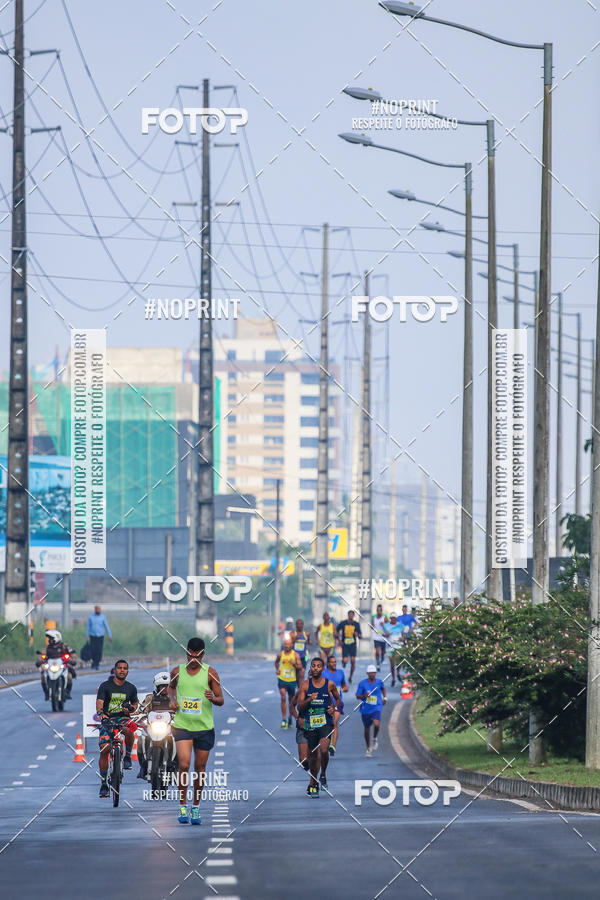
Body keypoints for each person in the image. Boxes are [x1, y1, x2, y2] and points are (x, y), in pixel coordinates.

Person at [169, 637, 224, 826]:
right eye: (190, 655)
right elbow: (170, 688)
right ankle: (182, 805)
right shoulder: (177, 672)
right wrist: (172, 701)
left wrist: (212, 697)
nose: (193, 659)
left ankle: (196, 807)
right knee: (184, 765)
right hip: (182, 725)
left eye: (197, 656)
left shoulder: (211, 673)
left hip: (204, 727)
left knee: (200, 768)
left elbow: (221, 699)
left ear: (202, 655)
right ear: (186, 654)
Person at [296, 657, 339, 797]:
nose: (315, 668)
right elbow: (299, 706)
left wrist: (333, 707)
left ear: (323, 668)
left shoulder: (330, 684)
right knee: (313, 756)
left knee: (324, 749)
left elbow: (338, 699)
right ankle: (314, 782)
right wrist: (309, 699)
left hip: (325, 723)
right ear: (311, 668)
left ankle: (324, 774)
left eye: (318, 666)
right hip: (311, 724)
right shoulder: (305, 685)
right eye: (313, 666)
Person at [96, 659, 139, 797]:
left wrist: (131, 710)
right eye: (119, 668)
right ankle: (103, 784)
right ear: (114, 670)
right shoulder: (105, 686)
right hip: (108, 719)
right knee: (105, 748)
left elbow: (135, 704)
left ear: (128, 671)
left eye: (124, 668)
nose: (122, 670)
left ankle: (127, 757)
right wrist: (100, 713)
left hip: (123, 719)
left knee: (129, 729)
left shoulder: (131, 688)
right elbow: (100, 702)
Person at [136, 671, 177, 780]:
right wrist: (139, 714)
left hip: (170, 727)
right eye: (162, 687)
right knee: (140, 740)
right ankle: (143, 766)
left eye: (167, 687)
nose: (164, 689)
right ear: (156, 687)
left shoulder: (176, 698)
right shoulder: (150, 698)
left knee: (180, 741)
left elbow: (184, 710)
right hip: (152, 728)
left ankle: (175, 765)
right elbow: (142, 709)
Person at [36, 629, 77, 700]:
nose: (49, 640)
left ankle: (67, 692)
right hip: (50, 667)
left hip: (62, 666)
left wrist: (71, 659)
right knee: (43, 676)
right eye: (49, 638)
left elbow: (73, 654)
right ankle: (46, 693)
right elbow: (42, 656)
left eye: (51, 638)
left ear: (56, 638)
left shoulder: (64, 646)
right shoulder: (47, 648)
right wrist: (40, 661)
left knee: (69, 676)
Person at [356, 664, 386, 757]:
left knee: (376, 724)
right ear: (367, 673)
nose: (372, 674)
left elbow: (383, 688)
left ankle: (375, 738)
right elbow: (357, 696)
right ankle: (368, 747)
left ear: (376, 673)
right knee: (367, 729)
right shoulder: (362, 683)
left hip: (376, 707)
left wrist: (385, 698)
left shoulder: (379, 682)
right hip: (365, 709)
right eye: (370, 673)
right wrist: (365, 695)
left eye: (373, 673)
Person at [275, 637, 303, 729]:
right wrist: (277, 670)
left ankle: (290, 717)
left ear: (292, 645)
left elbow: (300, 667)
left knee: (291, 700)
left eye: (288, 644)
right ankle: (284, 719)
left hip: (291, 680)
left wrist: (293, 664)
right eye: (285, 644)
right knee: (283, 696)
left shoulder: (295, 655)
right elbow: (276, 662)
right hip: (282, 679)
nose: (286, 646)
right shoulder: (280, 654)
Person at [323, 654, 348, 757]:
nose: (334, 664)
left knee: (334, 723)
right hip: (325, 703)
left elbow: (343, 684)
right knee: (326, 724)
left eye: (335, 662)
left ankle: (333, 746)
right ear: (328, 663)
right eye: (332, 662)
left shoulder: (340, 673)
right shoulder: (323, 673)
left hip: (337, 702)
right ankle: (325, 742)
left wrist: (345, 687)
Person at [336, 610, 362, 684]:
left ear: (353, 616)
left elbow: (360, 635)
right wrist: (339, 640)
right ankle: (343, 662)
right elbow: (336, 631)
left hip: (353, 644)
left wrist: (358, 635)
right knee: (345, 660)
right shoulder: (343, 623)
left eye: (352, 615)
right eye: (349, 615)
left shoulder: (356, 624)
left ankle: (350, 676)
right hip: (345, 644)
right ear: (348, 615)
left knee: (353, 661)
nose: (351, 616)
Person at [86, 605, 112, 669]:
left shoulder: (103, 617)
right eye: (97, 609)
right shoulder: (91, 617)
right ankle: (94, 662)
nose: (98, 610)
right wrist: (87, 636)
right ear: (95, 610)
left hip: (100, 636)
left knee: (99, 650)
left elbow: (106, 626)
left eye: (99, 609)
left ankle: (97, 664)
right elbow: (88, 627)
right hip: (93, 636)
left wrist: (110, 635)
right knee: (93, 650)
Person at [383, 612, 405, 686]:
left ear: (396, 618)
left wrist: (403, 637)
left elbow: (405, 631)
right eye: (392, 618)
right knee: (392, 664)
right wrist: (386, 635)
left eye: (394, 618)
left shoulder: (400, 625)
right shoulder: (386, 626)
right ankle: (393, 678)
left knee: (398, 661)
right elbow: (382, 634)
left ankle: (398, 673)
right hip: (390, 647)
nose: (393, 619)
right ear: (390, 619)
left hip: (398, 646)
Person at [290, 687, 309, 771]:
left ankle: (315, 779)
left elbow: (331, 704)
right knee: (303, 760)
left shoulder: (323, 689)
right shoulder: (301, 690)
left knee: (316, 757)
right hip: (303, 727)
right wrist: (297, 718)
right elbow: (292, 706)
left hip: (317, 728)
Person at [372, 604, 388, 671]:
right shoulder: (374, 618)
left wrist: (384, 624)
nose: (379, 611)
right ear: (376, 611)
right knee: (378, 651)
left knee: (383, 652)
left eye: (380, 610)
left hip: (383, 637)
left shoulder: (384, 617)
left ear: (381, 611)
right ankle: (378, 663)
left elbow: (389, 625)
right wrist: (372, 627)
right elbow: (372, 626)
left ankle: (381, 658)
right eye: (378, 610)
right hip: (376, 637)